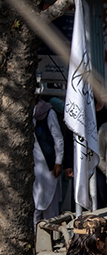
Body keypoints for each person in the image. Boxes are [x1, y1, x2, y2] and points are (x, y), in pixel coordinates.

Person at [33, 93, 64, 226]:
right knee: (33, 208)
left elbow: (58, 139)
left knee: (50, 208)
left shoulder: (47, 112)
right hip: (33, 168)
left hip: (48, 167)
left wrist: (58, 162)